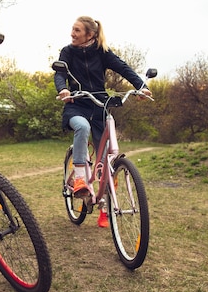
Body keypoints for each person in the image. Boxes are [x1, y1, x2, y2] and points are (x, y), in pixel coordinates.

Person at [54, 16, 151, 227]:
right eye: (73, 29)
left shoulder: (102, 52)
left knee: (107, 160)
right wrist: (63, 89)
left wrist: (140, 86)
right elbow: (59, 74)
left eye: (77, 30)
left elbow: (123, 68)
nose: (72, 33)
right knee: (82, 126)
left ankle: (105, 206)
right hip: (77, 103)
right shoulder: (67, 52)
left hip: (100, 105)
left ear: (90, 35)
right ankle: (80, 176)